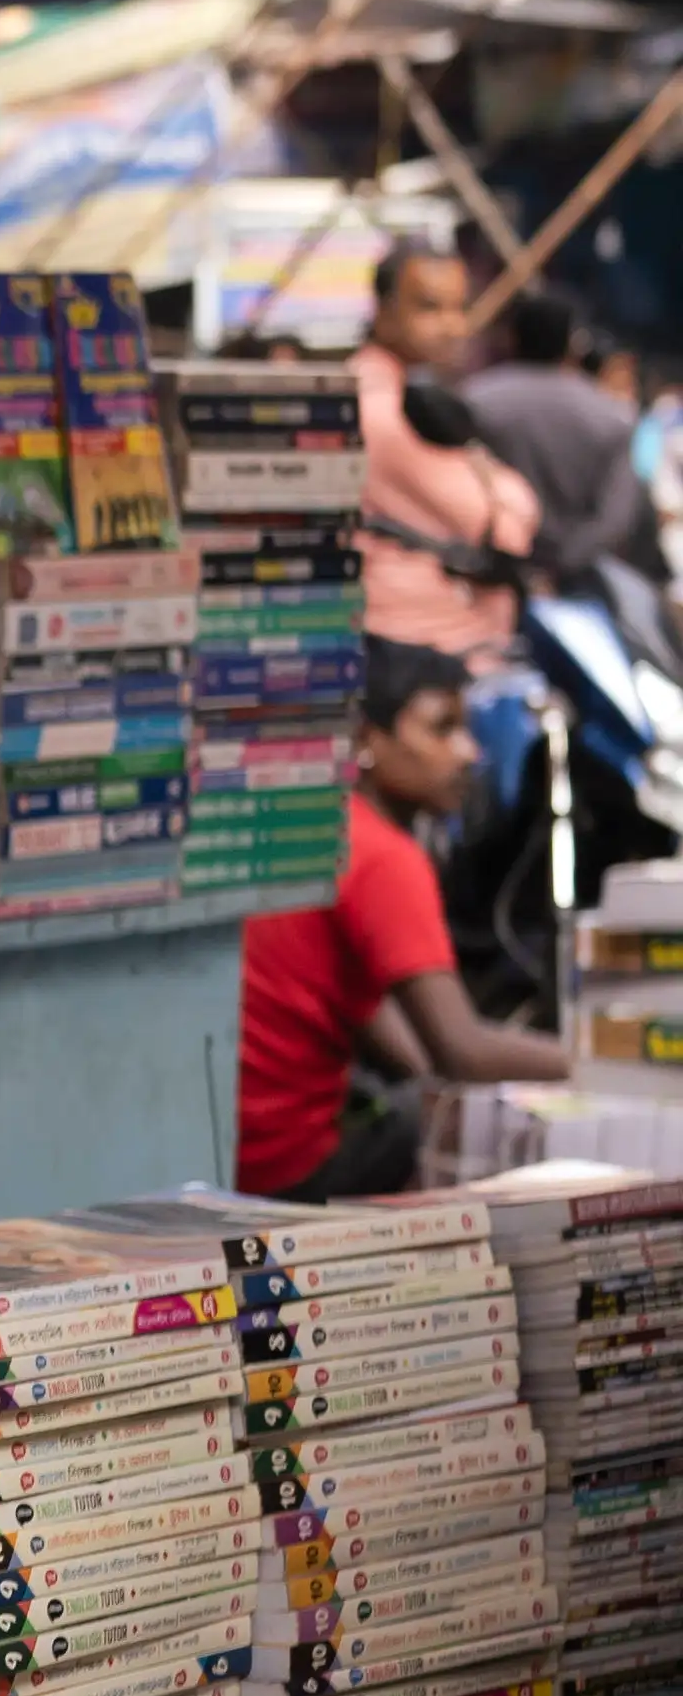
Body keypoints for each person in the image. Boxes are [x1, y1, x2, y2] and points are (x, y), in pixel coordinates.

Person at [235, 639, 561, 1196]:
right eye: (440, 729)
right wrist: (605, 1065)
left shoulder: (317, 828)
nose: (468, 753)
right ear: (367, 738)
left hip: (239, 1151)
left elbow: (393, 1038)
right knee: (471, 1132)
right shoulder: (382, 856)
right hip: (294, 1164)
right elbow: (460, 1050)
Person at [356, 236, 536, 658]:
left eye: (459, 307)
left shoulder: (410, 394)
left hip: (434, 641)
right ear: (383, 313)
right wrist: (498, 485)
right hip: (418, 647)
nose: (453, 326)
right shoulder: (379, 406)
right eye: (429, 307)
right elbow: (501, 518)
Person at [464, 284, 653, 597]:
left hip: (485, 576)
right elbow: (614, 519)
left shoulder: (474, 400)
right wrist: (557, 567)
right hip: (574, 585)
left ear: (512, 337)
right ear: (572, 345)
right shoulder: (612, 416)